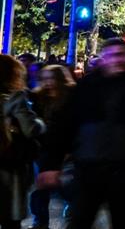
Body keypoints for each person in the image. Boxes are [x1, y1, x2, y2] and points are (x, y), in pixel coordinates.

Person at [37, 38, 125, 229]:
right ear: (104, 58)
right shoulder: (87, 86)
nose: (117, 60)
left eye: (122, 55)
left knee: (124, 220)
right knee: (81, 218)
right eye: (112, 55)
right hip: (90, 166)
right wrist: (51, 164)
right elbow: (65, 126)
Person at [1, 55, 46, 229]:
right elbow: (31, 128)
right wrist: (41, 123)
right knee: (10, 218)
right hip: (9, 164)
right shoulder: (16, 97)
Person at [27, 65, 73, 229]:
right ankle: (40, 220)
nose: (48, 83)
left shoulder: (70, 98)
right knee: (40, 188)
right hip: (43, 149)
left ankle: (71, 212)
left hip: (65, 150)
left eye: (52, 78)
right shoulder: (37, 98)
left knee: (66, 186)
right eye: (45, 78)